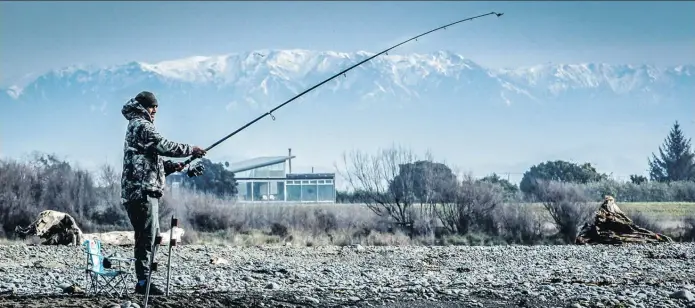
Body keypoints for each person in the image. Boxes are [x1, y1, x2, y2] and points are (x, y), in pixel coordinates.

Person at [120, 91, 206, 295]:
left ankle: (144, 280)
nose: (155, 111)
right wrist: (191, 149)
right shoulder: (142, 125)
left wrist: (169, 167)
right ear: (142, 107)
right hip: (142, 193)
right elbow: (163, 145)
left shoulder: (135, 126)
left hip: (140, 191)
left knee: (150, 236)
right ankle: (143, 283)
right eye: (152, 107)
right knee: (147, 238)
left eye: (156, 107)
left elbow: (147, 160)